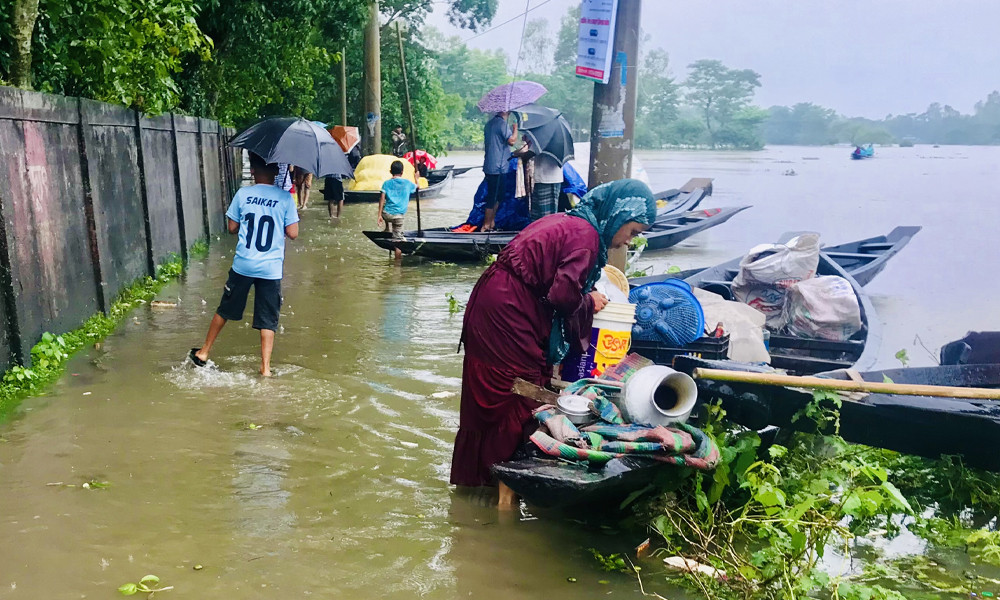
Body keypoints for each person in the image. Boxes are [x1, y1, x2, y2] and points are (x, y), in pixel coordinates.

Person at [449, 179, 657, 506]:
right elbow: (562, 294)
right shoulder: (587, 238)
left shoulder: (570, 221)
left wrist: (583, 297)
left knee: (498, 394)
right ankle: (502, 487)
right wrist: (588, 303)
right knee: (518, 393)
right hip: (508, 313)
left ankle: (476, 485)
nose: (627, 241)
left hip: (496, 302)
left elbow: (553, 282)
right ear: (618, 215)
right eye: (631, 231)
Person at [190, 152, 300, 377]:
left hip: (244, 264)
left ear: (253, 171)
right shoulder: (285, 198)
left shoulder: (243, 194)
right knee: (268, 319)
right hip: (270, 269)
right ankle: (266, 368)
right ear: (277, 172)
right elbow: (293, 233)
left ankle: (204, 352)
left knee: (225, 308)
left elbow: (232, 227)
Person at [481, 112, 517, 232]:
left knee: (498, 195)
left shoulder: (489, 124)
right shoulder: (502, 124)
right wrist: (515, 129)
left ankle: (491, 222)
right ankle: (486, 225)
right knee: (494, 196)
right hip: (498, 167)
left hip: (490, 165)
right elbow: (511, 141)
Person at [512, 137, 562, 221]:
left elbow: (529, 154)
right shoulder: (556, 139)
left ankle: (543, 232)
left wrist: (517, 153)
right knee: (548, 214)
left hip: (545, 178)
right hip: (551, 177)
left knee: (542, 214)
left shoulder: (543, 138)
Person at [377, 160, 417, 260]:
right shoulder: (407, 183)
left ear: (391, 171)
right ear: (402, 172)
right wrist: (416, 179)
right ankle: (397, 266)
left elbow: (381, 199)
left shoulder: (386, 183)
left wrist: (379, 216)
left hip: (386, 214)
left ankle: (387, 227)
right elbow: (417, 188)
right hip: (398, 217)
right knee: (398, 243)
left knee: (385, 204)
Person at [324, 145, 362, 221]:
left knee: (330, 199)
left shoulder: (326, 154)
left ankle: (331, 216)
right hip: (337, 178)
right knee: (340, 199)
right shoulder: (340, 155)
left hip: (328, 178)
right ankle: (338, 216)